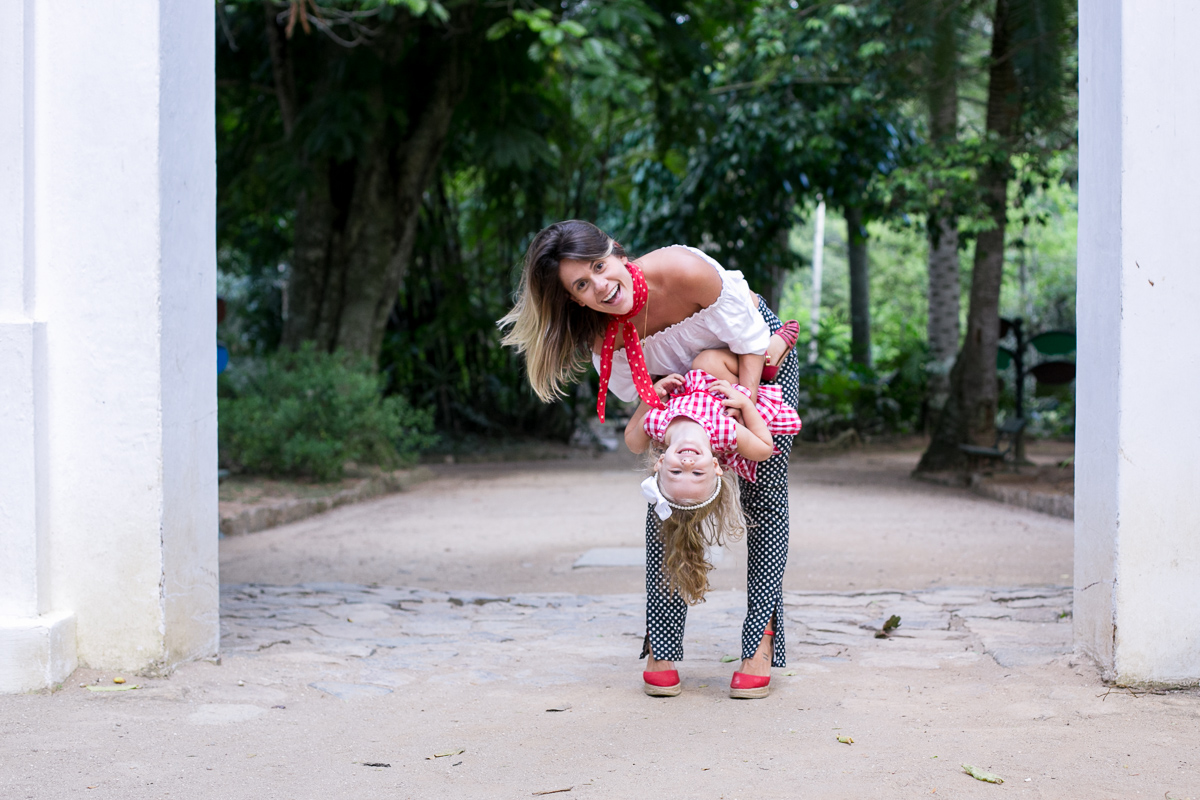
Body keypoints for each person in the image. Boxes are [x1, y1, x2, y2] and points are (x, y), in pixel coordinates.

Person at [499, 219, 800, 700]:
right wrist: (678, 435)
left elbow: (745, 344)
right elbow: (643, 415)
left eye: (600, 266)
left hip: (748, 363)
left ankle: (759, 644)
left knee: (764, 497)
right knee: (667, 500)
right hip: (678, 396)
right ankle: (662, 645)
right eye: (582, 284)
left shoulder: (682, 270)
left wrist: (742, 410)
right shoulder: (606, 340)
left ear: (616, 252)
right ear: (575, 298)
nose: (600, 285)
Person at [628, 358, 801, 624]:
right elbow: (764, 448)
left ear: (660, 464)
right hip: (724, 381)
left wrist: (651, 396)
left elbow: (632, 441)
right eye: (698, 473)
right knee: (706, 360)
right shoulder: (723, 431)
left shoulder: (657, 424)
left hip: (685, 371)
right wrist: (746, 405)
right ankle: (768, 354)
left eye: (676, 472)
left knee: (690, 359)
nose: (688, 464)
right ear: (715, 465)